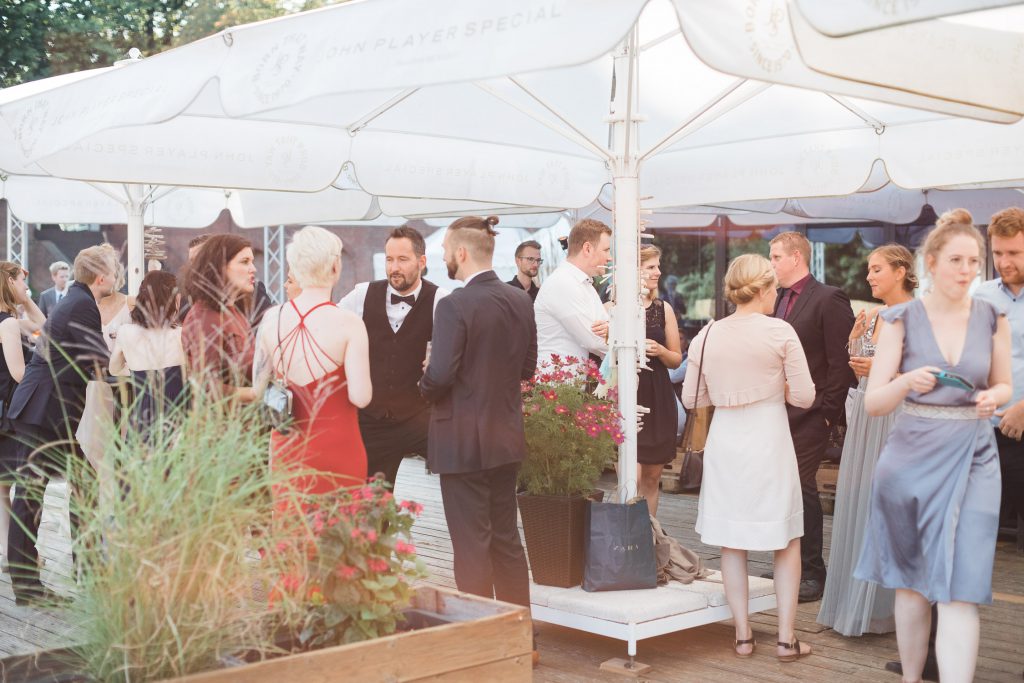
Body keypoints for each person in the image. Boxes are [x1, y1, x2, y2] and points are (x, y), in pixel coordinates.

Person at [855, 209, 1010, 683]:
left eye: (975, 261)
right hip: (911, 459)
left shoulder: (992, 316)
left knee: (963, 586)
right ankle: (911, 677)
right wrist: (905, 382)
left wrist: (993, 397)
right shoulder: (900, 319)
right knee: (912, 585)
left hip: (975, 455)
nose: (967, 270)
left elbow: (1005, 386)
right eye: (957, 260)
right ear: (932, 262)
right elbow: (874, 403)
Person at [683, 254, 815, 661]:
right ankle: (786, 638)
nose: (777, 294)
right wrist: (778, 391)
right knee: (788, 539)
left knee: (731, 541)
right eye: (773, 287)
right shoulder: (781, 333)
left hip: (726, 438)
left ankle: (742, 636)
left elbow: (691, 398)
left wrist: (727, 395)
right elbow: (806, 396)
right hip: (769, 436)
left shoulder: (706, 336)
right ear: (759, 290)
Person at [419, 215, 537, 614]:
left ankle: (481, 635)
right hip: (506, 435)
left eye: (446, 250)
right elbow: (527, 369)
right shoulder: (520, 299)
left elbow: (440, 375)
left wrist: (425, 379)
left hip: (462, 443)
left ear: (462, 252)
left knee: (471, 545)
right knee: (506, 540)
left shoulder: (455, 304)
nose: (443, 257)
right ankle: (522, 635)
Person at [6, 245, 117, 605]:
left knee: (41, 492)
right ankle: (62, 579)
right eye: (114, 271)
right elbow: (99, 361)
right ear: (102, 277)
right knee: (36, 494)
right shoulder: (82, 302)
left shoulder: (75, 298)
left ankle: (76, 574)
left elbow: (84, 359)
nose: (116, 277)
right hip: (45, 409)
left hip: (42, 408)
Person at [817, 244, 916, 637]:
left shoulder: (918, 316)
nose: (869, 277)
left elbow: (923, 373)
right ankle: (860, 606)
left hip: (898, 419)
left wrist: (880, 368)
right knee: (861, 503)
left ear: (901, 271)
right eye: (869, 270)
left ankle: (892, 609)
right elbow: (860, 367)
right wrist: (856, 341)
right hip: (867, 419)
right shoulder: (875, 316)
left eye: (877, 270)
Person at [768, 231, 855, 603]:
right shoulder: (775, 299)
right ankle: (788, 564)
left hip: (813, 413)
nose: (770, 264)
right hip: (776, 410)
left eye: (774, 257)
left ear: (796, 257)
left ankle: (813, 571)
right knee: (781, 486)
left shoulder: (829, 298)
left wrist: (827, 415)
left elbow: (842, 362)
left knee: (802, 486)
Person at [256, 226, 372, 501]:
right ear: (334, 266)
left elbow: (259, 389)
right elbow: (362, 397)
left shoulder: (271, 319)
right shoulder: (350, 323)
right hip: (339, 446)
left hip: (287, 446)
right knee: (339, 534)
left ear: (294, 266)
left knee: (292, 532)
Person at [339, 225, 449, 487]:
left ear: (421, 262)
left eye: (402, 259)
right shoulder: (362, 294)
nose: (394, 268)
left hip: (419, 417)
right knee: (371, 506)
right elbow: (331, 327)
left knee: (460, 472)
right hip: (372, 420)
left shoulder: (441, 300)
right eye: (389, 259)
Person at [633, 246, 683, 516]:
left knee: (652, 479)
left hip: (658, 396)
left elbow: (676, 359)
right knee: (632, 479)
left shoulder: (664, 309)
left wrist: (661, 351)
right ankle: (625, 542)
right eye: (651, 266)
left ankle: (649, 540)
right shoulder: (612, 308)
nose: (658, 272)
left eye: (658, 266)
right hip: (629, 394)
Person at [109, 271, 187, 438]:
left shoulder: (125, 332)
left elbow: (114, 370)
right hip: (177, 427)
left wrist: (134, 369)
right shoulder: (182, 335)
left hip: (141, 426)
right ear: (175, 300)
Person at [181, 234, 258, 401]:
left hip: (244, 423)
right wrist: (254, 393)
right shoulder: (204, 318)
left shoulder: (232, 312)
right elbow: (206, 387)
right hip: (222, 425)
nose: (253, 268)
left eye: (252, 261)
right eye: (244, 262)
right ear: (220, 266)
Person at [0, 262, 41, 566]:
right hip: (12, 412)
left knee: (2, 486)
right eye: (22, 282)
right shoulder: (9, 324)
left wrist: (25, 300)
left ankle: (9, 552)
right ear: (8, 283)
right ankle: (22, 555)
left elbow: (46, 324)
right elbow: (18, 373)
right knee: (22, 483)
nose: (27, 287)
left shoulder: (12, 321)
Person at [534, 219, 610, 365]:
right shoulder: (563, 282)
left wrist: (611, 329)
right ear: (587, 249)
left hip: (569, 383)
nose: (609, 257)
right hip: (556, 384)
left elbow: (604, 327)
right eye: (606, 250)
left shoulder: (583, 283)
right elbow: (594, 340)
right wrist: (624, 340)